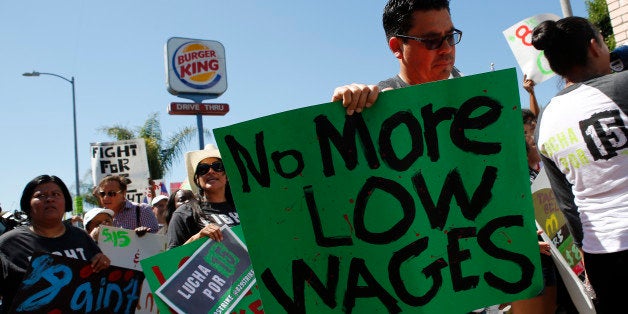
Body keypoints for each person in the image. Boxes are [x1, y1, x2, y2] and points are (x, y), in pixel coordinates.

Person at [532, 16, 628, 313]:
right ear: (594, 46)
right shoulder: (623, 85)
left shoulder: (545, 121)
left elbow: (568, 205)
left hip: (603, 258)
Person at [0, 175, 110, 313]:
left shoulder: (80, 237)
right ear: (28, 204)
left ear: (65, 202)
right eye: (41, 195)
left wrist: (102, 262)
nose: (49, 199)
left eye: (56, 194)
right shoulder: (8, 244)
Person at [331, 0, 462, 115]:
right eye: (432, 40)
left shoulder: (472, 88)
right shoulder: (376, 104)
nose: (447, 49)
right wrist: (345, 107)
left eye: (450, 36)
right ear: (397, 47)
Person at [167, 144, 239, 248]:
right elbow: (170, 261)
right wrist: (197, 237)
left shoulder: (244, 208)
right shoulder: (184, 213)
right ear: (197, 179)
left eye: (217, 166)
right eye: (203, 169)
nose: (211, 171)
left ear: (227, 175)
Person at [94, 175, 159, 235]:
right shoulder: (97, 218)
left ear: (123, 193)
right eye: (102, 194)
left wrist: (145, 235)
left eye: (111, 193)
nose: (106, 198)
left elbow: (157, 241)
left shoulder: (142, 210)